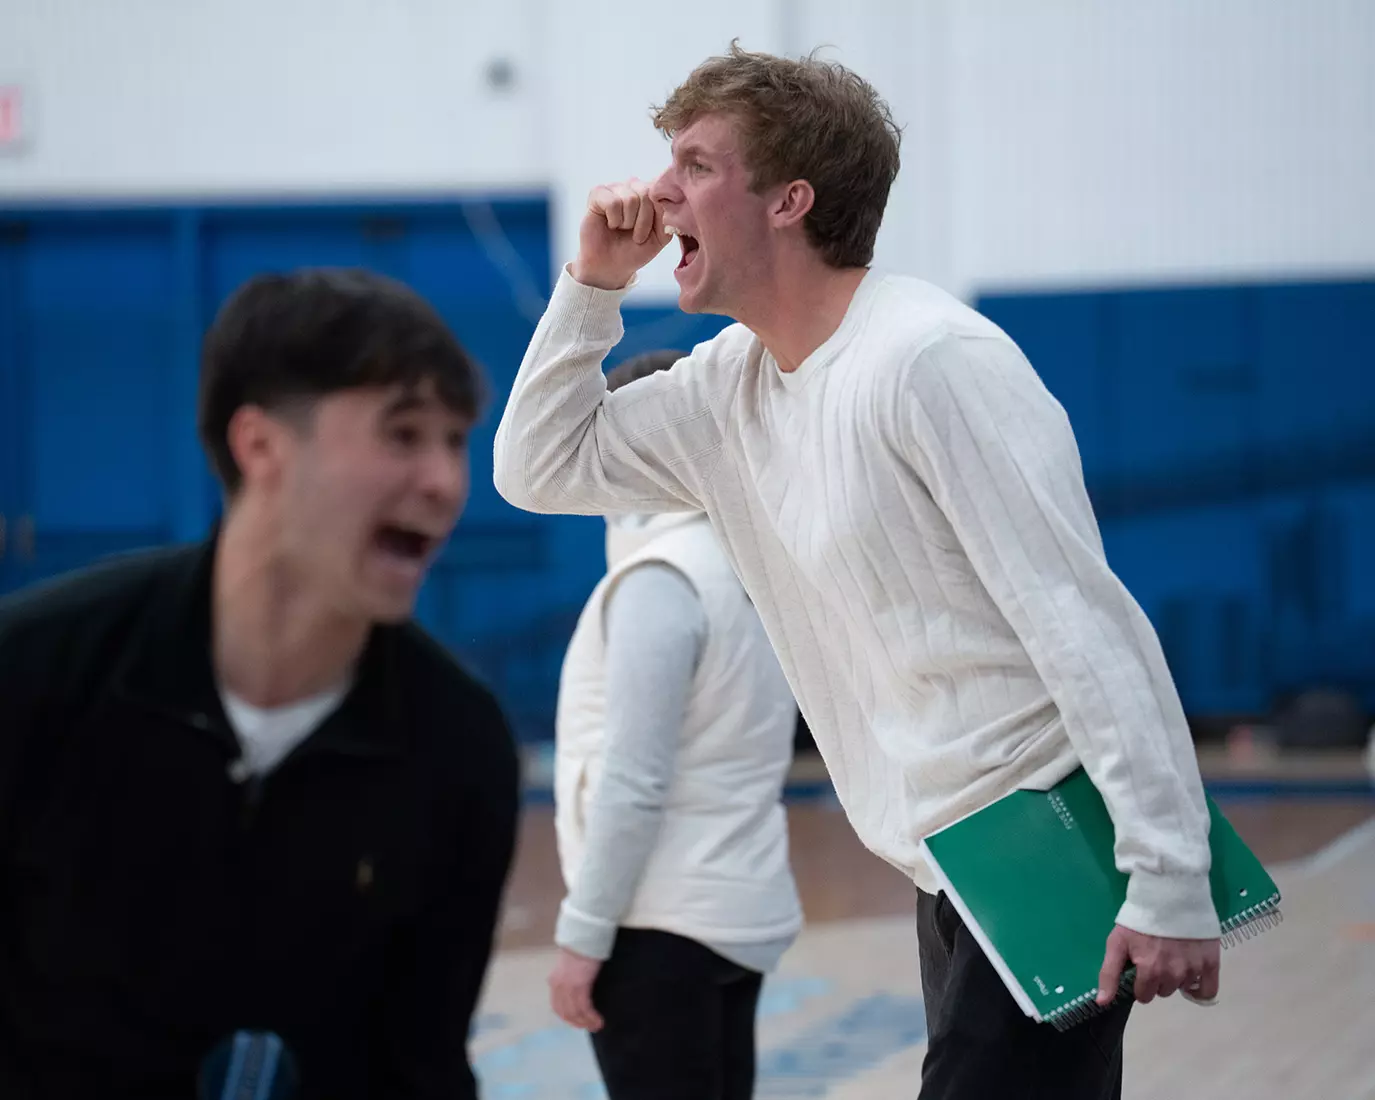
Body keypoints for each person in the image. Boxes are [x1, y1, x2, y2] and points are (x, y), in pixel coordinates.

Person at [493, 41, 1223, 1100]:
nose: (658, 190)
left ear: (790, 199)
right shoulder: (722, 390)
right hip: (944, 863)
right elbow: (535, 465)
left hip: (1040, 836)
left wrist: (1167, 871)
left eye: (695, 163)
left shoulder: (931, 360)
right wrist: (592, 287)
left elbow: (1082, 619)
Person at [0, 268, 520, 1099]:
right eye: (403, 433)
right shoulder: (35, 675)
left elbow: (420, 1064)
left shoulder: (457, 749)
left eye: (456, 441)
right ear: (261, 446)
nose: (446, 483)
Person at [546, 349, 802, 1100]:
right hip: (736, 914)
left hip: (659, 927)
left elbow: (632, 778)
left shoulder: (661, 579)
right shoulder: (751, 567)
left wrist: (583, 933)